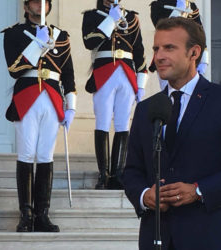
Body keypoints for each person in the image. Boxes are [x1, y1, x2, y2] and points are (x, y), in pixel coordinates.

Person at [123, 17, 221, 250]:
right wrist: (144, 195)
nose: (159, 56)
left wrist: (199, 190)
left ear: (194, 52)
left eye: (169, 48)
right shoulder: (146, 108)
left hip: (208, 236)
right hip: (155, 238)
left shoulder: (218, 100)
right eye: (156, 48)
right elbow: (132, 171)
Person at [2, 0, 76, 232]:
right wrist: (36, 46)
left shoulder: (61, 35)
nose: (40, 5)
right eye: (35, 2)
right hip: (27, 94)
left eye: (44, 2)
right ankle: (26, 214)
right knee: (26, 153)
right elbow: (14, 69)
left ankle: (42, 214)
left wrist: (71, 106)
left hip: (52, 97)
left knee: (45, 154)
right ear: (26, 7)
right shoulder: (14, 33)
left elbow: (69, 74)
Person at [82, 0, 148, 190]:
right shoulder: (92, 16)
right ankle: (104, 174)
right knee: (102, 121)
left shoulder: (132, 17)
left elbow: (139, 51)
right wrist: (110, 21)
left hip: (127, 73)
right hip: (104, 71)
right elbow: (89, 42)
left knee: (122, 123)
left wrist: (141, 82)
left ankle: (118, 173)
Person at [149, 0, 209, 90]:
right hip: (168, 55)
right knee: (170, 91)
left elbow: (199, 32)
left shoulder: (191, 5)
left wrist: (204, 60)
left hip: (189, 55)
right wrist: (179, 10)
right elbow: (163, 27)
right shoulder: (158, 5)